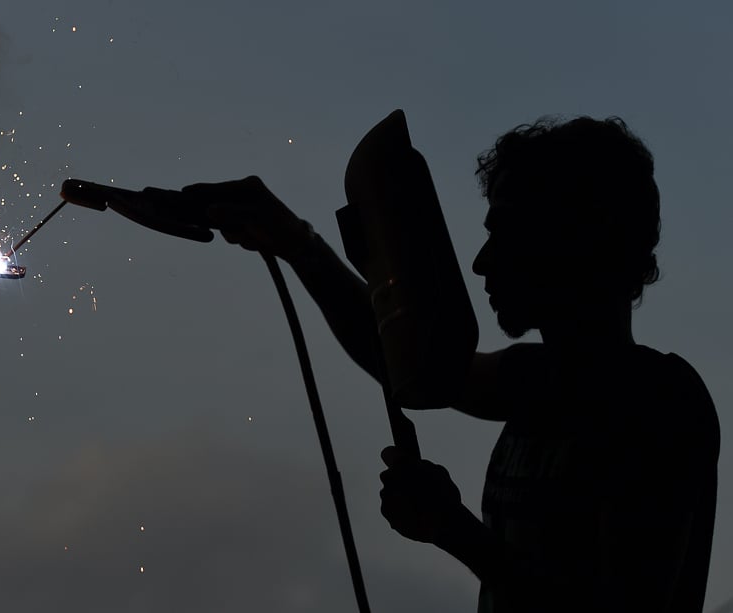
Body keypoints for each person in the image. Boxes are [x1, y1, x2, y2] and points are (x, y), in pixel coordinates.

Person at [182, 116, 719, 612]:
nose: (482, 262)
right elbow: (403, 355)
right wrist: (297, 242)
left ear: (573, 236)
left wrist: (454, 530)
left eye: (505, 232)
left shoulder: (659, 403)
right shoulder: (531, 381)